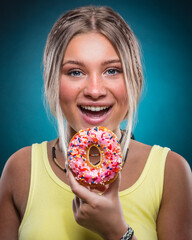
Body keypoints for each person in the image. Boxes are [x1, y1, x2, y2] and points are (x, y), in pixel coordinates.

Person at [0, 5, 191, 240]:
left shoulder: (171, 172)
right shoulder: (20, 169)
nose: (94, 90)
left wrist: (116, 232)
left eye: (112, 70)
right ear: (53, 83)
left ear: (134, 79)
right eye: (75, 72)